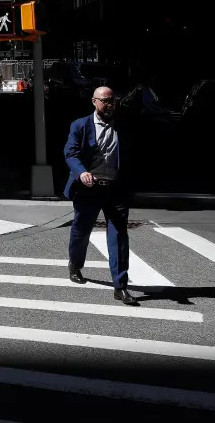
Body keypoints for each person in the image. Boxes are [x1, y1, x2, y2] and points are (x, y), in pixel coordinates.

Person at [63, 86, 138, 306]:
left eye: (112, 101)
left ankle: (120, 286)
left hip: (115, 189)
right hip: (89, 188)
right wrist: (82, 172)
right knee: (81, 229)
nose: (109, 105)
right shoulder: (80, 125)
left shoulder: (124, 125)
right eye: (105, 101)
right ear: (94, 102)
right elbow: (71, 153)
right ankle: (75, 264)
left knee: (119, 236)